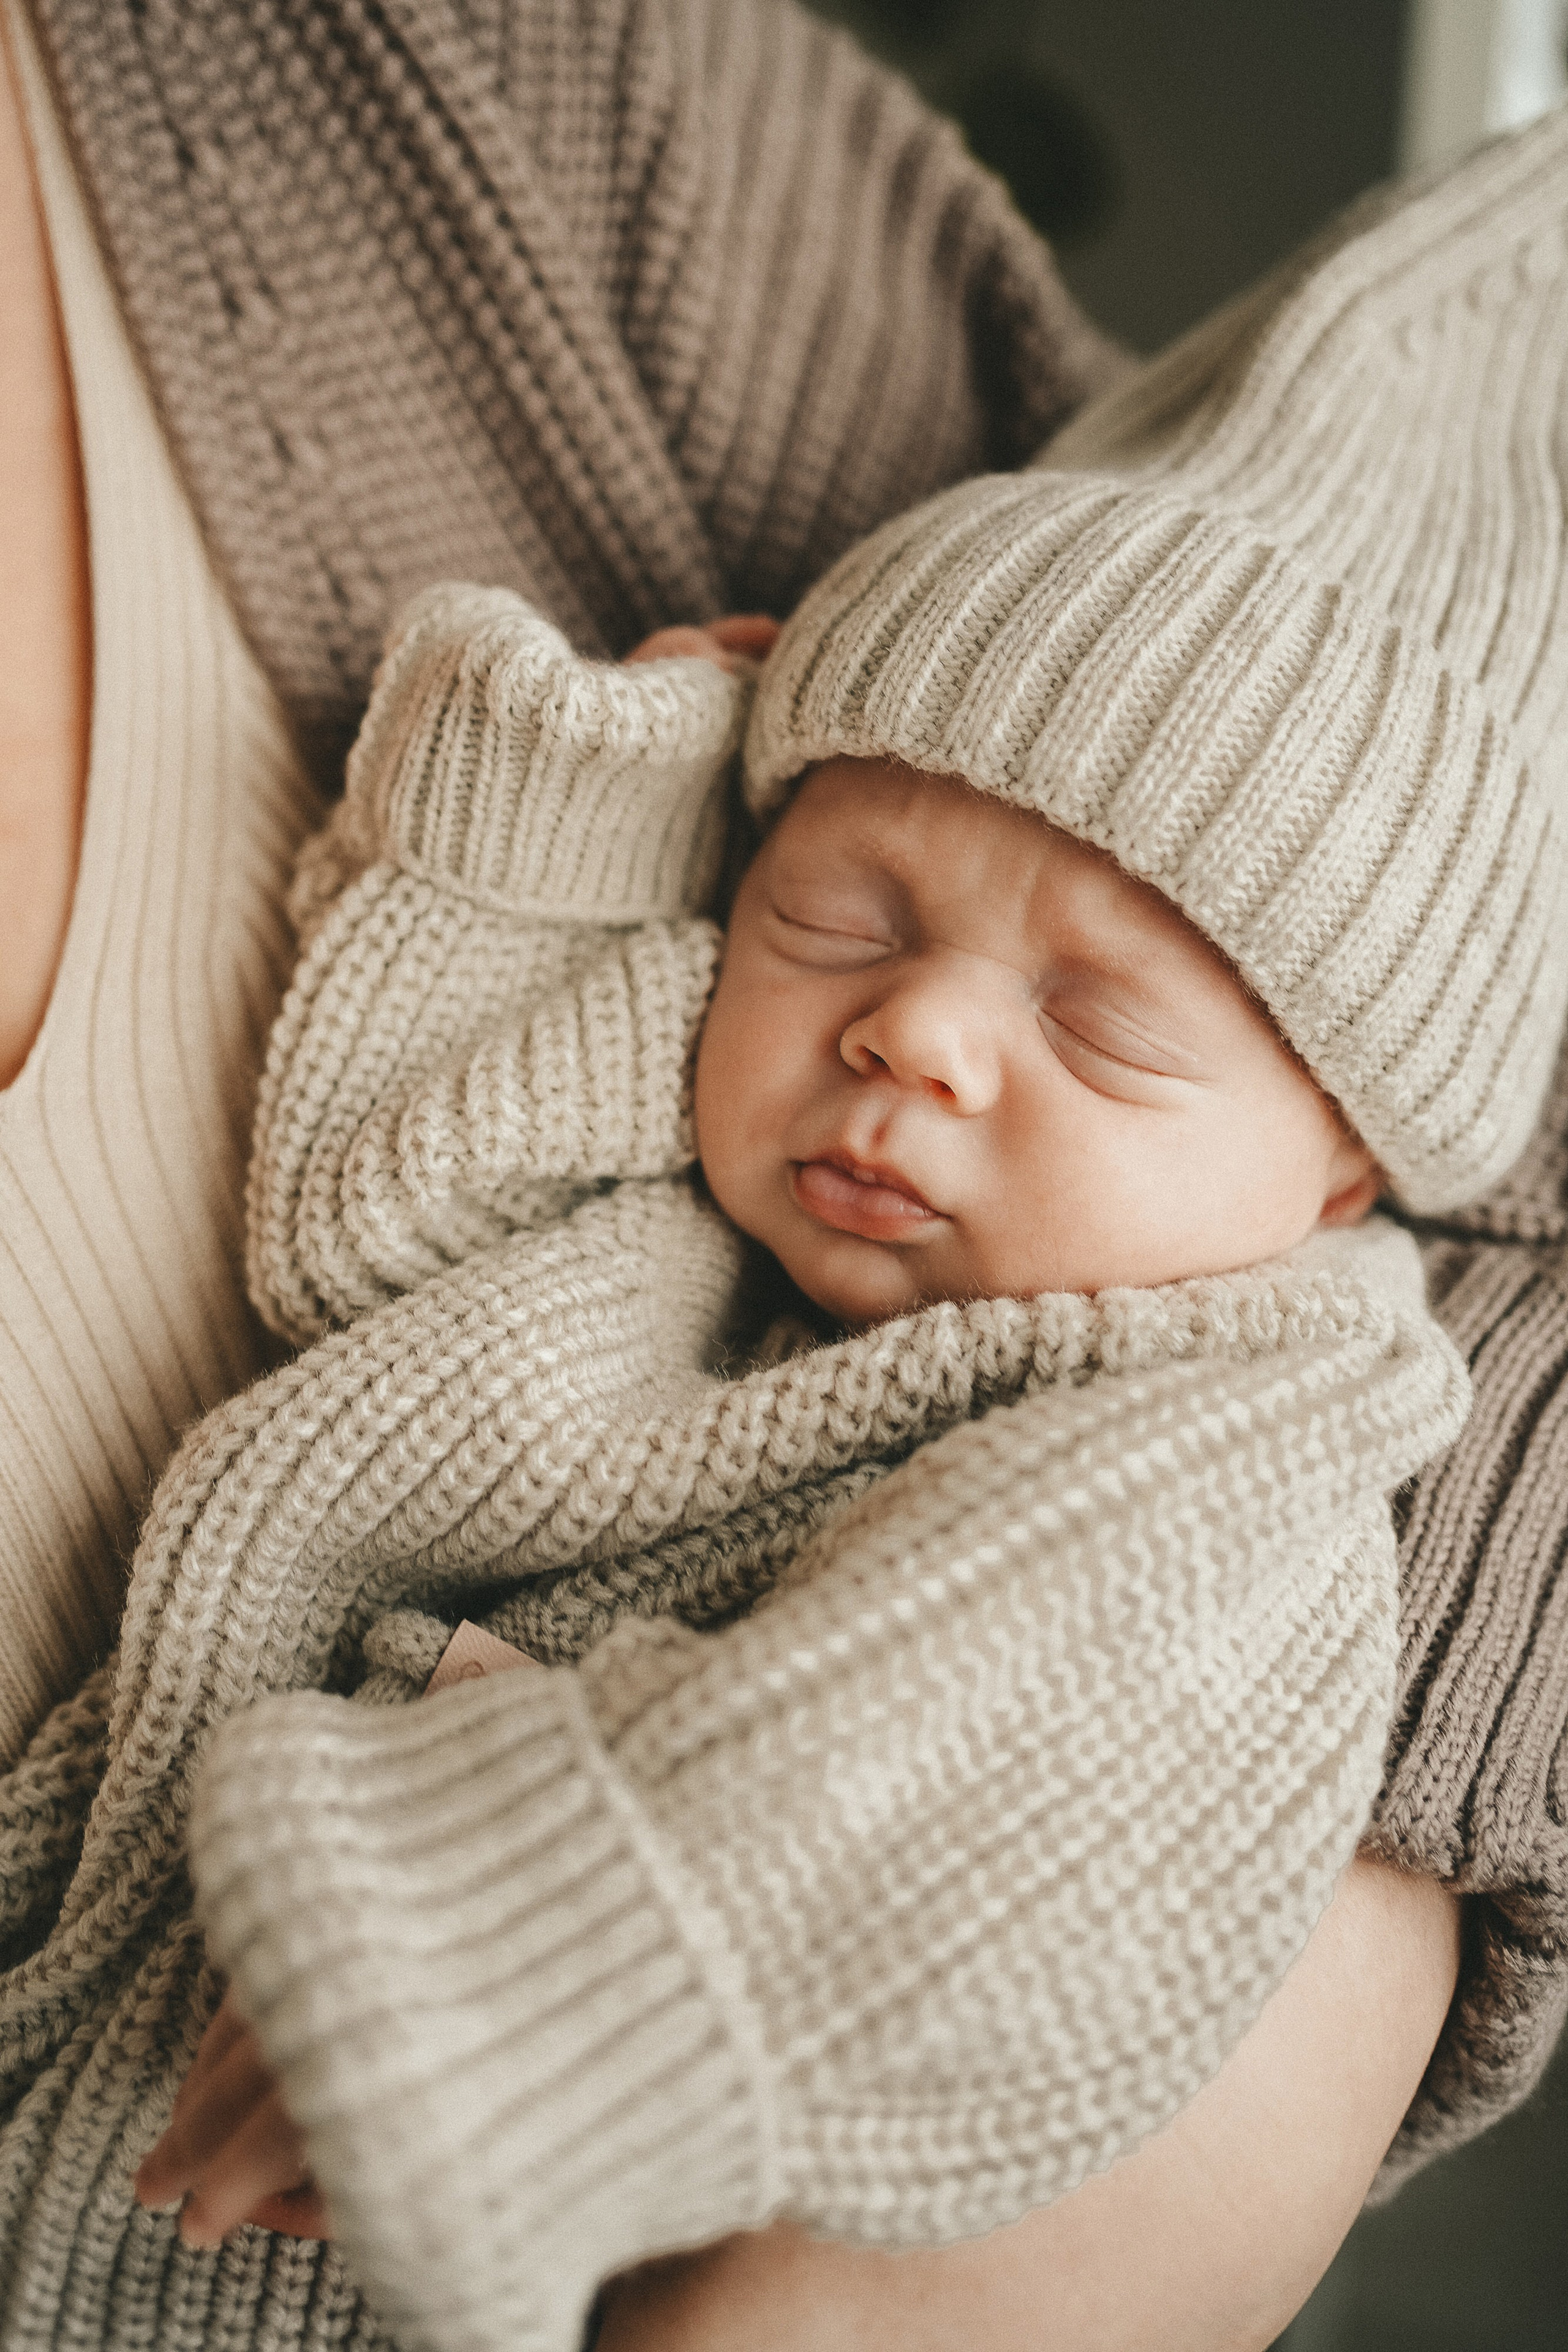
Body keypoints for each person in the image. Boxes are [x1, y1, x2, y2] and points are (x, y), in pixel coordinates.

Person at [0, 2, 1559, 2348]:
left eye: (1104, 1021)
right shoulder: (702, 1182)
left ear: (1351, 1172)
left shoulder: (1242, 1446)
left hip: (430, 2175)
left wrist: (557, 1968)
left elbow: (971, 1775)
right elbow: (367, 1210)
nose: (912, 1031)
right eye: (840, 911)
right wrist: (578, 802)